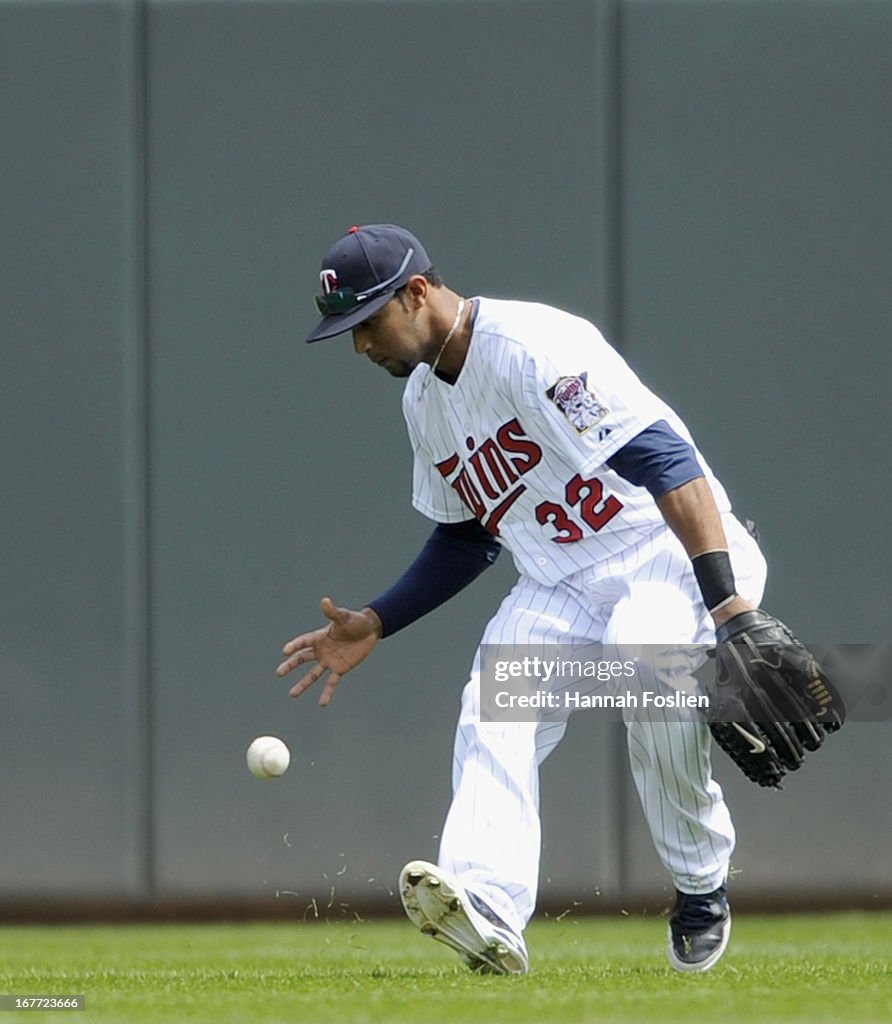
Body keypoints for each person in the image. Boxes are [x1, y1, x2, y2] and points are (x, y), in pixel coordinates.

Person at [277, 223, 767, 975]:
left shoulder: (533, 346)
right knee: (491, 709)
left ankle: (701, 887)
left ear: (416, 293)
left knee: (646, 668)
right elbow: (469, 535)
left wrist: (729, 608)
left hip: (660, 551)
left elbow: (668, 458)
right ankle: (490, 913)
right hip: (557, 580)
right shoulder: (423, 405)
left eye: (367, 322)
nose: (359, 346)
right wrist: (378, 619)